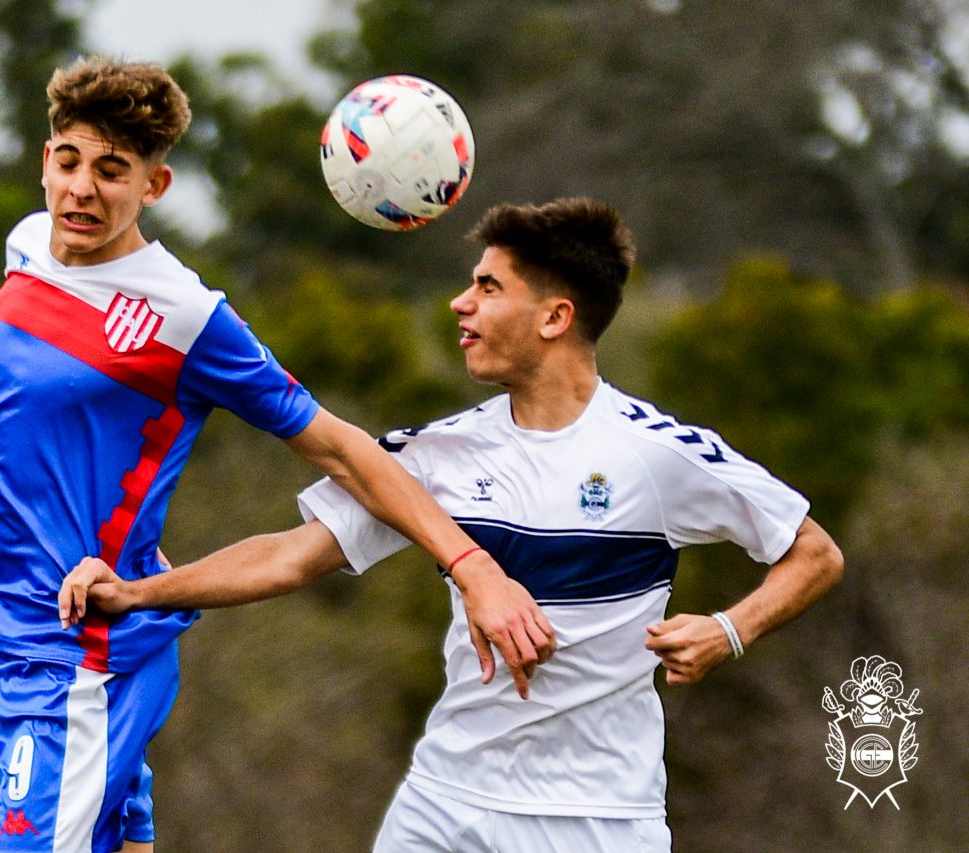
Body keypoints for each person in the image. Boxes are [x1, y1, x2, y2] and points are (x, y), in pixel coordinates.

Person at [59, 197, 846, 852]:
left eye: (487, 287)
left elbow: (814, 552)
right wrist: (138, 591)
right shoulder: (435, 455)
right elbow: (291, 557)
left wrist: (729, 629)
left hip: (598, 818)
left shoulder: (657, 453)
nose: (460, 304)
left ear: (555, 316)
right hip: (444, 805)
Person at [0, 56, 552, 853]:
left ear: (154, 185)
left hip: (77, 658)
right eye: (69, 163)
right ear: (45, 162)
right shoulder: (28, 245)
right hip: (5, 633)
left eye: (112, 171)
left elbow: (342, 450)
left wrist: (471, 566)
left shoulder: (184, 317)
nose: (82, 190)